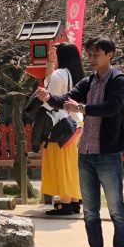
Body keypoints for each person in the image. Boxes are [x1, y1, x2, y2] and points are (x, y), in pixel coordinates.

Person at [36, 36, 124, 247]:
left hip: (108, 153)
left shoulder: (119, 80)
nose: (91, 59)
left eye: (96, 55)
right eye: (88, 54)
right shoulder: (88, 81)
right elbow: (66, 99)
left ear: (110, 54)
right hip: (85, 152)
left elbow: (112, 107)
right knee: (90, 210)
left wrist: (81, 109)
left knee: (116, 209)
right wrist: (48, 97)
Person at [41, 42, 84, 216]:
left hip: (59, 126)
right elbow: (49, 83)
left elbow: (48, 98)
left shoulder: (59, 74)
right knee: (72, 164)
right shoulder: (78, 75)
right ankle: (74, 201)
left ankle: (64, 203)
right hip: (76, 124)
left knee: (59, 163)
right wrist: (50, 63)